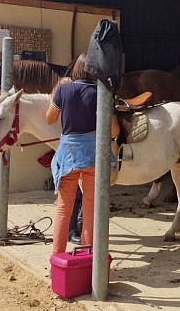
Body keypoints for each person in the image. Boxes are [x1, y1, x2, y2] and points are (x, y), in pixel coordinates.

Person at [45, 53, 118, 254]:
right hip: (94, 157)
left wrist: (56, 96)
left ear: (75, 69)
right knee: (90, 209)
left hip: (68, 155)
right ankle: (87, 256)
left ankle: (57, 257)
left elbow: (50, 119)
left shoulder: (63, 90)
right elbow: (114, 131)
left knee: (63, 208)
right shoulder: (101, 93)